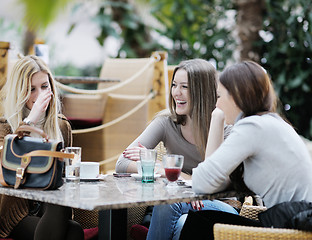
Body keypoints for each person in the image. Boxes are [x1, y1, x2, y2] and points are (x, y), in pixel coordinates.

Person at [180, 61, 312, 239]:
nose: (216, 105)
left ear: (235, 96)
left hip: (291, 228)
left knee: (198, 222)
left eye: (219, 97)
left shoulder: (253, 126)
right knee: (201, 219)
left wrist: (217, 118)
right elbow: (216, 183)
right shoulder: (271, 122)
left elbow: (202, 182)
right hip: (295, 222)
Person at [115, 59, 238, 240]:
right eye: (174, 85)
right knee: (182, 224)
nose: (176, 93)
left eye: (184, 87)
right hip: (183, 204)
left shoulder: (226, 128)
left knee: (169, 201)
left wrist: (175, 176)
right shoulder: (166, 123)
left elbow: (217, 185)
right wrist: (163, 170)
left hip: (220, 205)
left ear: (202, 91)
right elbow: (122, 162)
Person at [0, 55, 84, 240]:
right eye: (31, 89)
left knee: (74, 229)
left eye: (44, 87)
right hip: (17, 212)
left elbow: (66, 174)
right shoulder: (6, 128)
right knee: (71, 232)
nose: (39, 95)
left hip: (52, 206)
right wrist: (30, 120)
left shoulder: (62, 127)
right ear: (19, 92)